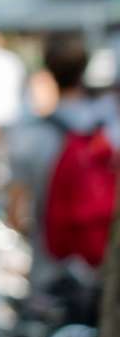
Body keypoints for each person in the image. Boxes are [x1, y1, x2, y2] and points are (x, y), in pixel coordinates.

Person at [8, 34, 119, 300]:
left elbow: (16, 213)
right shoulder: (109, 129)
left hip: (50, 267)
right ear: (85, 69)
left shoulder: (29, 135)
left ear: (48, 72)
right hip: (104, 265)